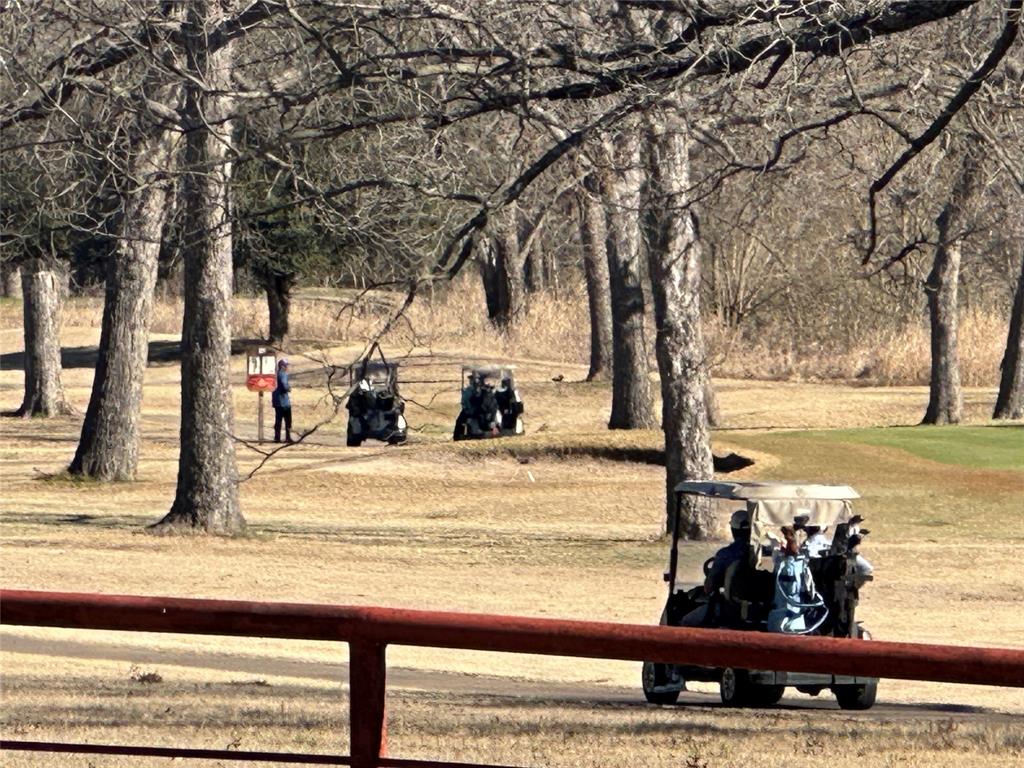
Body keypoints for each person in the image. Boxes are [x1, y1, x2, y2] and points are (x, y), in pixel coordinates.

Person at [680, 510, 752, 627]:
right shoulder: (758, 553)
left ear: (733, 530)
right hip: (757, 606)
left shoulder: (726, 554)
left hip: (729, 608)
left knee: (685, 622)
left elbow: (709, 587)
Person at [272, 358, 293, 443]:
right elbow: (284, 385)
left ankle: (277, 438)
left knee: (278, 420)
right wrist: (288, 388)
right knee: (288, 420)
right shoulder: (283, 374)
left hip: (276, 400)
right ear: (283, 366)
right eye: (286, 365)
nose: (287, 367)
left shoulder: (275, 374)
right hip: (283, 401)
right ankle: (288, 437)